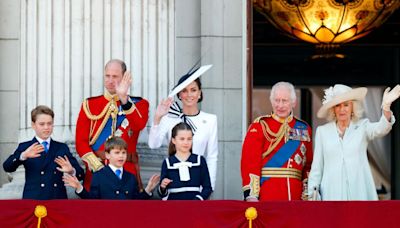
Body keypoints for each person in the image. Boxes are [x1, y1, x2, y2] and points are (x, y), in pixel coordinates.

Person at [308, 84, 400, 200]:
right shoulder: (323, 132)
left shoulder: (362, 127)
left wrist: (386, 107)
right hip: (331, 194)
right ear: (333, 109)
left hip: (359, 192)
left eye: (346, 105)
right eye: (338, 106)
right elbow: (317, 167)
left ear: (352, 107)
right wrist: (312, 193)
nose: (342, 110)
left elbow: (381, 129)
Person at [75, 59, 149, 191]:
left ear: (125, 77)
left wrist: (124, 99)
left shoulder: (139, 104)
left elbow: (138, 125)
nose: (110, 80)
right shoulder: (90, 105)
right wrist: (98, 167)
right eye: (107, 76)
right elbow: (81, 142)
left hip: (126, 172)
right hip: (97, 172)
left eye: (115, 76)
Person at [148, 66, 218, 190]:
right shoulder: (169, 118)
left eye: (193, 90)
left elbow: (212, 156)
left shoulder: (210, 120)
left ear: (200, 93)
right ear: (179, 94)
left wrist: (209, 188)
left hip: (198, 184)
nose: (189, 94)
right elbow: (154, 144)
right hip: (172, 180)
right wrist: (157, 117)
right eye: (184, 90)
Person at [241, 81, 313, 201]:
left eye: (284, 101)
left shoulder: (304, 128)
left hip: (296, 195)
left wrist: (307, 192)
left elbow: (308, 165)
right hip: (268, 193)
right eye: (276, 100)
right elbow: (249, 162)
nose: (280, 105)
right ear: (271, 101)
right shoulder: (260, 126)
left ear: (293, 103)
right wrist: (252, 194)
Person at [3, 105, 84, 200]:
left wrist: (71, 171)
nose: (46, 127)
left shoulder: (61, 147)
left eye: (49, 123)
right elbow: (7, 167)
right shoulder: (25, 146)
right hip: (33, 199)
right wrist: (23, 155)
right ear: (33, 125)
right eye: (42, 124)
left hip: (57, 199)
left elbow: (81, 174)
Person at [63, 137, 160, 199]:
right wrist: (79, 187)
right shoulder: (99, 175)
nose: (121, 156)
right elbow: (92, 200)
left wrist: (148, 190)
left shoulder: (131, 177)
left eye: (123, 153)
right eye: (117, 153)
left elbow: (135, 202)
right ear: (107, 155)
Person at [158, 122, 212, 200]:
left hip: (195, 207)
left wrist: (198, 200)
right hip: (174, 207)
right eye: (182, 139)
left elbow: (207, 188)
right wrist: (162, 187)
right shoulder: (167, 163)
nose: (186, 142)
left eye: (189, 139)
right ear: (173, 140)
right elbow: (162, 193)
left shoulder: (200, 160)